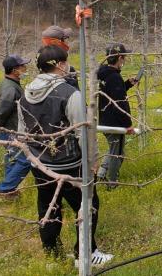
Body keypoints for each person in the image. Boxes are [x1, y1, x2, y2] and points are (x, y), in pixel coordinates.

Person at [18, 45, 113, 266]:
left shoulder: (26, 93)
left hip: (39, 163)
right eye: (66, 63)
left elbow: (22, 132)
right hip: (70, 165)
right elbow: (83, 132)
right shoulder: (70, 94)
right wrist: (92, 161)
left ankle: (52, 252)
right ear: (61, 65)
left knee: (49, 206)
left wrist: (34, 157)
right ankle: (86, 253)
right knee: (89, 205)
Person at [96, 43, 137, 186]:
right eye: (124, 57)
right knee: (118, 154)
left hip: (104, 119)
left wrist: (127, 84)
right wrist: (128, 124)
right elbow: (120, 103)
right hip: (114, 123)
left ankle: (101, 174)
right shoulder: (114, 77)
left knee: (113, 148)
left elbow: (111, 94)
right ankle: (112, 182)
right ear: (119, 58)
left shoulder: (103, 73)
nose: (124, 60)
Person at [0, 54, 32, 198]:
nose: (25, 68)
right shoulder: (10, 88)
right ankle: (4, 189)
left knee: (12, 159)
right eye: (22, 66)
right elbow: (3, 109)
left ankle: (9, 190)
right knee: (25, 160)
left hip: (9, 129)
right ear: (15, 70)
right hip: (10, 130)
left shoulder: (10, 83)